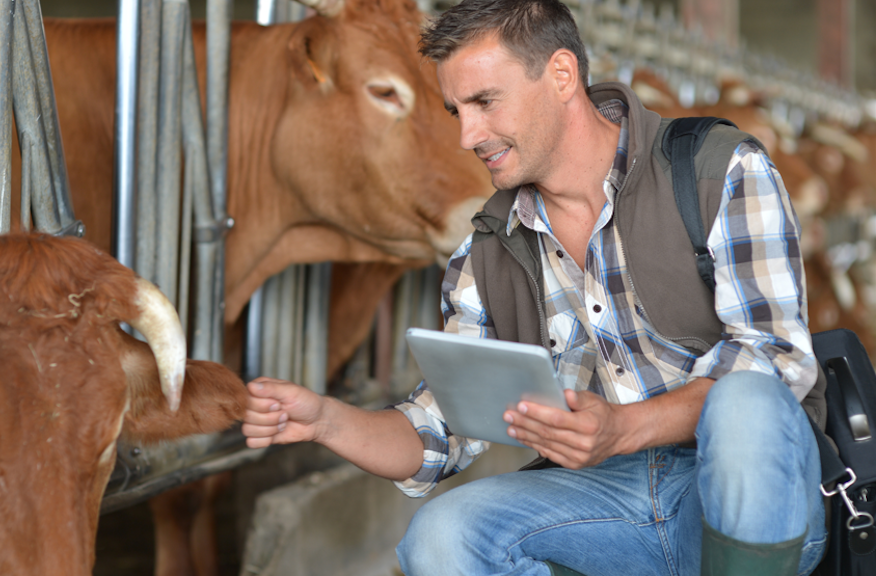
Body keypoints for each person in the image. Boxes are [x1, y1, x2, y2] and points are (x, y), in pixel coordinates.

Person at [241, 1, 828, 574]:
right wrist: (324, 420)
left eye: (485, 102)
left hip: (754, 495)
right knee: (442, 535)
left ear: (561, 75)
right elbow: (438, 429)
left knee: (745, 403)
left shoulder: (716, 168)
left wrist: (623, 428)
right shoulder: (485, 251)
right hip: (606, 503)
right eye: (456, 111)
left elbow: (776, 358)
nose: (468, 135)